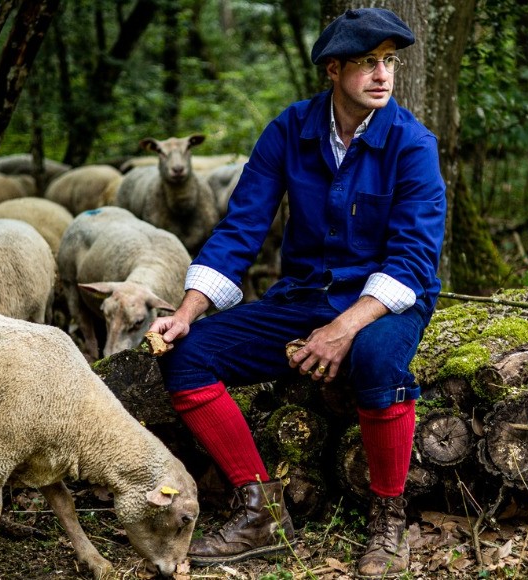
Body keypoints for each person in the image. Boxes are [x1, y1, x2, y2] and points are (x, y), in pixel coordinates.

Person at [149, 7, 446, 578]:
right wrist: (188, 311)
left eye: (388, 62)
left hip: (388, 298)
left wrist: (341, 330)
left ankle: (389, 516)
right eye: (366, 63)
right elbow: (241, 228)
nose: (383, 74)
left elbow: (412, 258)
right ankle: (260, 508)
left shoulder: (412, 143)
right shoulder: (290, 129)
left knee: (377, 359)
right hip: (304, 295)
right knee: (187, 355)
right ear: (332, 70)